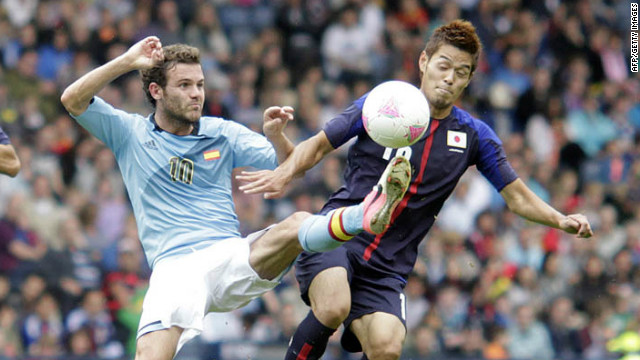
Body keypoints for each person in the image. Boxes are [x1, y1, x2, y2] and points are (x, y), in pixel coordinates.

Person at [237, 20, 593, 360]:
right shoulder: (382, 104)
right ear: (424, 61)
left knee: (387, 347)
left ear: (469, 80)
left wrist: (560, 220)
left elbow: (516, 197)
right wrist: (284, 173)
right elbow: (316, 147)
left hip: (389, 267)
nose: (450, 77)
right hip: (339, 234)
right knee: (333, 306)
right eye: (444, 65)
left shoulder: (474, 136)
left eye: (462, 72)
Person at [60, 37, 412, 360]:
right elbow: (72, 99)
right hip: (176, 267)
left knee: (298, 222)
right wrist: (127, 60)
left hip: (231, 256)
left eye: (199, 85)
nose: (196, 93)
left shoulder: (221, 132)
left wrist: (276, 137)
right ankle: (362, 214)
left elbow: (291, 166)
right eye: (184, 85)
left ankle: (364, 215)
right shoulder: (130, 133)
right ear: (156, 90)